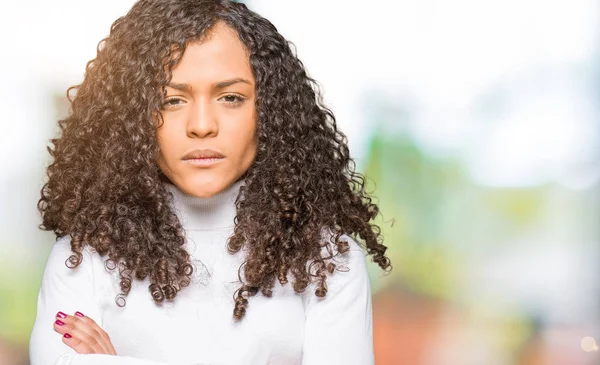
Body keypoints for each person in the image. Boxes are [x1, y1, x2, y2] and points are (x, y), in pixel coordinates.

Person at [29, 1, 391, 364]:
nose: (202, 124)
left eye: (230, 97)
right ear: (132, 117)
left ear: (270, 110)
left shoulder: (329, 261)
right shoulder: (83, 258)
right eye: (171, 100)